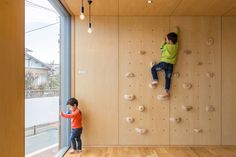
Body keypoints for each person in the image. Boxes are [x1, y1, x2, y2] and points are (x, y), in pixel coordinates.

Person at [150, 27, 180, 98]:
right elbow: (176, 38)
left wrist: (162, 43)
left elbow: (161, 49)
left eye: (166, 39)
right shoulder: (176, 46)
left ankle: (155, 79)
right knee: (168, 78)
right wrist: (177, 32)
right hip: (171, 65)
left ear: (169, 41)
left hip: (164, 63)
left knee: (153, 69)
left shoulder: (166, 46)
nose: (165, 40)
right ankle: (167, 91)